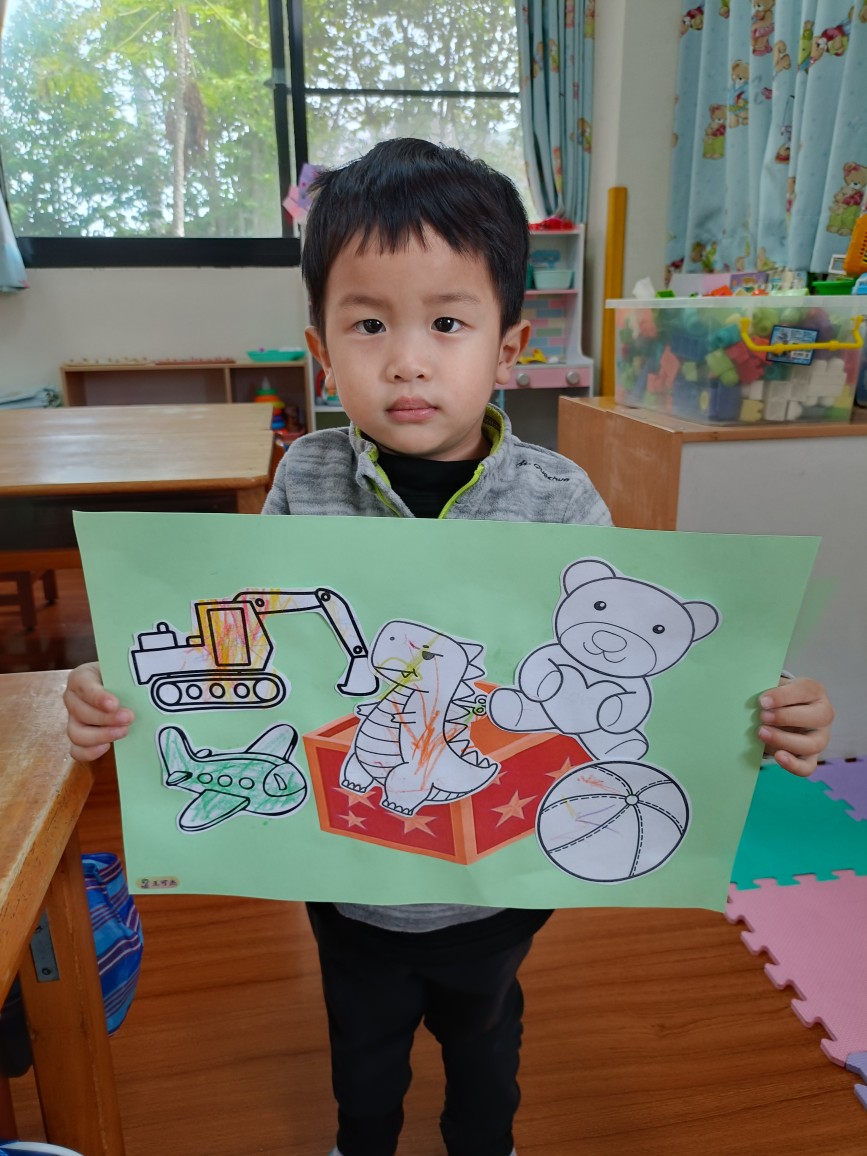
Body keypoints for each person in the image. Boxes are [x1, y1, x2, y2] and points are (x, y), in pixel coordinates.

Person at [64, 138, 835, 1156]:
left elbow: (637, 654)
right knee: (363, 1047)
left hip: (499, 886)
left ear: (509, 348)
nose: (407, 359)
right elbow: (252, 637)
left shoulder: (559, 499)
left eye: (446, 323)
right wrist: (121, 678)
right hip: (347, 879)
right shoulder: (305, 479)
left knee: (483, 1035)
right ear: (322, 349)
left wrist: (765, 704)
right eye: (369, 324)